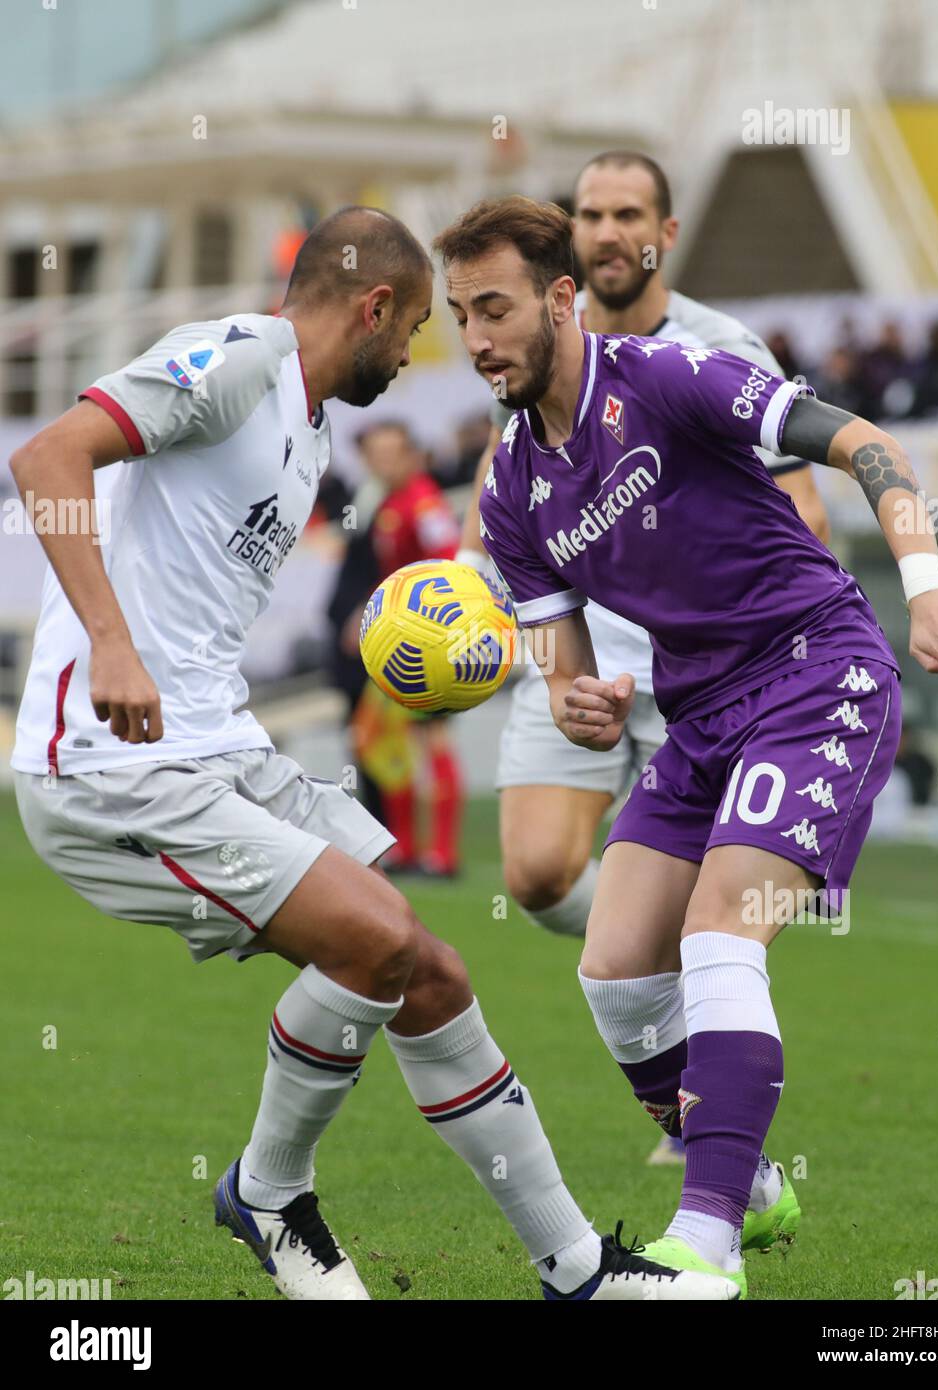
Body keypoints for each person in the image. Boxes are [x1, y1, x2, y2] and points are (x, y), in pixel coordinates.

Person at [9, 205, 732, 1302]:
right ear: (376, 306)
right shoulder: (239, 360)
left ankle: (579, 1270)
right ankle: (268, 1189)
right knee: (377, 943)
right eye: (416, 333)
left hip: (219, 749)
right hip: (112, 766)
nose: (414, 360)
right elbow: (50, 454)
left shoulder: (310, 434)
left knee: (428, 971)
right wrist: (111, 642)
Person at [434, 194, 938, 1299]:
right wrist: (582, 702)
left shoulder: (667, 374)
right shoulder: (510, 487)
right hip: (697, 718)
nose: (476, 338)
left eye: (493, 307)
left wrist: (926, 590)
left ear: (558, 298)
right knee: (613, 976)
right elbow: (561, 664)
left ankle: (708, 1249)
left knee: (719, 934)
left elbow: (863, 444)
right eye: (458, 316)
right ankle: (750, 1179)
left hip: (815, 671)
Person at [457, 150, 831, 1170]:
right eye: (591, 212)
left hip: (716, 659)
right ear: (570, 243)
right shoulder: (526, 346)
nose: (610, 228)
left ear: (664, 232)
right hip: (581, 642)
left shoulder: (714, 345)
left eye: (630, 213)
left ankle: (700, 1023)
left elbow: (800, 496)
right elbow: (505, 495)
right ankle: (676, 986)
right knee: (535, 872)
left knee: (712, 903)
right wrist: (465, 602)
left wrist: (804, 645)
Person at [358, 420, 465, 878]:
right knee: (375, 739)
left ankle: (439, 855)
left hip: (422, 647)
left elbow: (447, 564)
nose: (383, 462)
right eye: (375, 453)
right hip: (399, 642)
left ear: (412, 455)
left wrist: (416, 625)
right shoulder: (391, 502)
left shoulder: (423, 501)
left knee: (424, 739)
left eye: (392, 452)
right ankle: (404, 848)